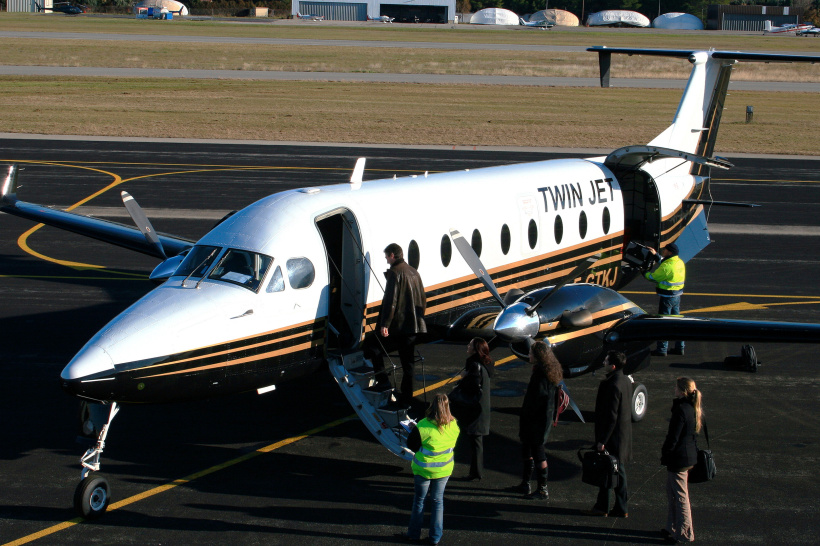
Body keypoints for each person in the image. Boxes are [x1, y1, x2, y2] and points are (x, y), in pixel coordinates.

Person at [367, 243, 426, 406]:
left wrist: (385, 324)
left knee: (373, 347)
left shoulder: (395, 273)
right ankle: (407, 397)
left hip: (399, 326)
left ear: (393, 255)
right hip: (414, 326)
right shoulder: (414, 272)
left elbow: (391, 301)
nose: (386, 259)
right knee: (408, 364)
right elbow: (423, 298)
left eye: (387, 256)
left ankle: (383, 381)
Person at [404, 393, 460, 545]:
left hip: (423, 470)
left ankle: (413, 534)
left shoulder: (422, 426)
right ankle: (435, 537)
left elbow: (412, 446)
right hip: (444, 470)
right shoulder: (453, 424)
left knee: (419, 501)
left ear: (432, 406)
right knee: (437, 501)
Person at [586, 350, 633, 517]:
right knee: (618, 472)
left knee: (607, 471)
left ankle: (603, 507)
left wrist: (602, 440)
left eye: (606, 361)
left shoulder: (612, 384)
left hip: (612, 437)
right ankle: (619, 507)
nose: (604, 363)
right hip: (622, 434)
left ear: (613, 366)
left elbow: (611, 416)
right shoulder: (625, 380)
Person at [516, 340, 563, 500]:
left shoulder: (541, 374)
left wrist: (528, 415)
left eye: (530, 353)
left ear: (538, 356)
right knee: (529, 450)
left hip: (536, 420)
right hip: (537, 419)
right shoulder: (548, 371)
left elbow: (538, 399)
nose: (528, 355)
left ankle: (542, 489)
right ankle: (526, 483)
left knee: (538, 452)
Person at [661, 377, 702, 544]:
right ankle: (673, 527)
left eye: (676, 387)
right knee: (673, 493)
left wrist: (666, 454)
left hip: (678, 458)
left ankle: (684, 532)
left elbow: (673, 437)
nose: (674, 390)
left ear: (682, 390)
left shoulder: (681, 410)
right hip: (686, 456)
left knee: (679, 496)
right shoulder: (691, 408)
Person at [452, 337, 493, 481]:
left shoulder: (474, 366)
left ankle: (476, 473)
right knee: (477, 441)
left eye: (470, 345)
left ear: (475, 349)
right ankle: (476, 471)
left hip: (475, 409)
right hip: (481, 408)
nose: (467, 346)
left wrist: (462, 378)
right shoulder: (484, 364)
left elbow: (472, 386)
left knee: (476, 442)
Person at [644, 242, 686, 356]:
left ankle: (662, 349)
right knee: (677, 322)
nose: (663, 251)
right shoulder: (678, 262)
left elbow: (653, 277)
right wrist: (655, 255)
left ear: (670, 252)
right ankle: (680, 347)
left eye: (665, 250)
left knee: (664, 322)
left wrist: (644, 272)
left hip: (667, 298)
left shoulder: (667, 266)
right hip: (677, 296)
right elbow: (664, 261)